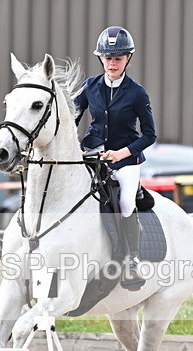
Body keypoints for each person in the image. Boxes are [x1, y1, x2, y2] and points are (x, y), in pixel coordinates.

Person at [74, 26, 157, 291]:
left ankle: (131, 259)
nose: (112, 63)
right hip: (93, 153)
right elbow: (72, 117)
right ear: (101, 59)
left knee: (124, 200)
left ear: (127, 59)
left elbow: (150, 135)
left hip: (125, 159)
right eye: (108, 58)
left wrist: (122, 153)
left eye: (118, 58)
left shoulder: (137, 92)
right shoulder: (90, 86)